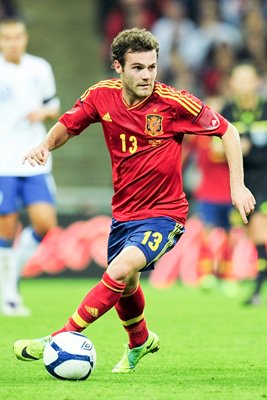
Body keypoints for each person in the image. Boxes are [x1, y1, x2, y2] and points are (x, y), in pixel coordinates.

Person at [13, 27, 255, 373]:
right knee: (126, 285)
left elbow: (228, 130)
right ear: (118, 67)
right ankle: (140, 341)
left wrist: (238, 185)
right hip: (124, 213)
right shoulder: (101, 96)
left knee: (121, 268)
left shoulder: (174, 103)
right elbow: (68, 124)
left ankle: (58, 338)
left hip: (165, 214)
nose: (147, 75)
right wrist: (44, 146)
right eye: (138, 67)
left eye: (152, 67)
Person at [0, 18, 60, 316]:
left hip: (35, 159)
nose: (13, 42)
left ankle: (9, 282)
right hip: (3, 161)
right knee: (6, 228)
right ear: (1, 41)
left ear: (25, 38)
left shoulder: (40, 68)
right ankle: (9, 293)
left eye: (17, 36)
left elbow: (54, 104)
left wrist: (45, 112)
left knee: (45, 222)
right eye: (7, 38)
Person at [221, 63, 267, 305]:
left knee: (259, 231)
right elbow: (215, 147)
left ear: (256, 82)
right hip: (242, 181)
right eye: (239, 79)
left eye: (248, 79)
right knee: (253, 234)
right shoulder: (228, 110)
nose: (244, 84)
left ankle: (258, 290)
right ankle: (258, 288)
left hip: (265, 179)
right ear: (233, 84)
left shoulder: (265, 108)